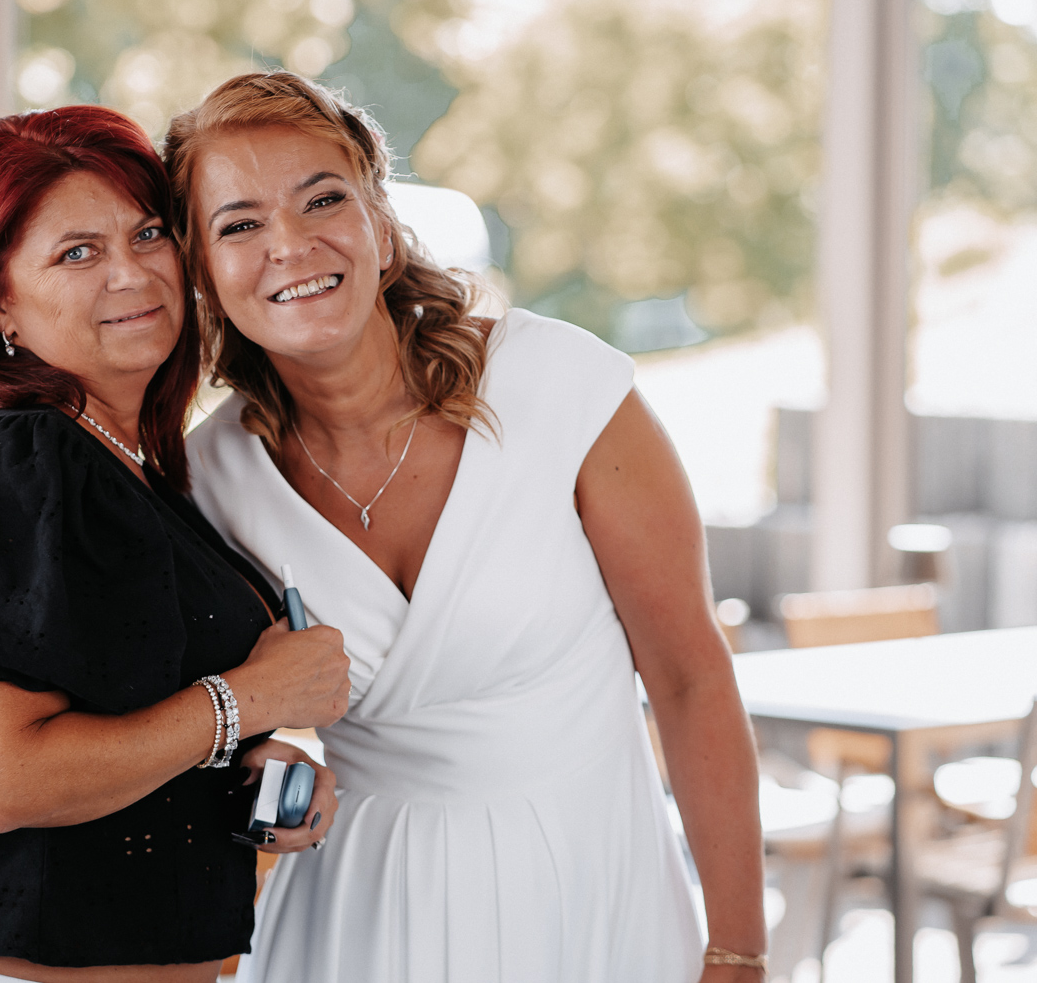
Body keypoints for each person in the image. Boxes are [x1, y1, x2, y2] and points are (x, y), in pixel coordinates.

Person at [164, 72, 767, 982]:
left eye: (322, 199)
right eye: (239, 224)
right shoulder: (208, 480)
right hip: (355, 922)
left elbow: (690, 680)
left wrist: (739, 951)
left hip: (592, 893)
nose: (289, 244)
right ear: (203, 272)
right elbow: (237, 725)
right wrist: (271, 763)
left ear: (381, 223)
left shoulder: (562, 386)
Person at [0, 104, 351, 983]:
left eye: (147, 234)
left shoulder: (132, 470)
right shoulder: (20, 457)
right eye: (78, 252)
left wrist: (245, 766)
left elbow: (130, 731)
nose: (131, 273)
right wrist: (245, 701)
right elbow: (6, 781)